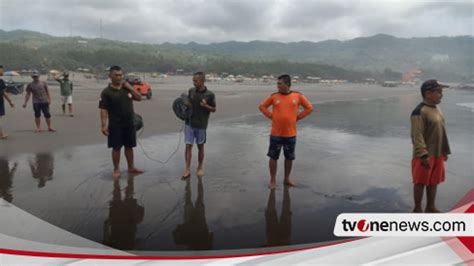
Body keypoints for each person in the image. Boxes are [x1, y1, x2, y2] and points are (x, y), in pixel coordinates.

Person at [259, 74, 313, 189]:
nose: (277, 86)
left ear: (287, 84)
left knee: (289, 157)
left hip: (290, 134)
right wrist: (271, 116)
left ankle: (287, 179)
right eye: (277, 83)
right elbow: (262, 106)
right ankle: (273, 180)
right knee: (273, 157)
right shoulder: (274, 96)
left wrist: (298, 117)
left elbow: (309, 108)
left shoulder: (297, 96)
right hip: (276, 134)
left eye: (279, 83)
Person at [410, 79, 451, 213]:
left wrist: (444, 150)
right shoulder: (419, 111)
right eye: (439, 91)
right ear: (428, 93)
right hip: (424, 155)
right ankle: (417, 209)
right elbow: (417, 135)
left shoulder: (437, 109)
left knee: (434, 181)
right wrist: (423, 154)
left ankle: (430, 206)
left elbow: (441, 131)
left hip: (437, 153)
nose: (441, 94)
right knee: (420, 182)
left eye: (441, 91)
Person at [99, 65, 143, 178]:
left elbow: (139, 98)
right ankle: (116, 169)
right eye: (116, 75)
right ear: (110, 76)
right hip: (115, 124)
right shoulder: (106, 92)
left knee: (129, 147)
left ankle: (131, 167)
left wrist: (130, 87)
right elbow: (103, 109)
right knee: (116, 147)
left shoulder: (126, 88)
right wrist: (103, 125)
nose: (119, 77)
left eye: (120, 75)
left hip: (129, 123)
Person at [182, 72, 216, 179]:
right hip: (189, 123)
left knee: (200, 147)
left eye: (196, 81)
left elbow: (214, 109)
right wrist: (186, 102)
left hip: (201, 125)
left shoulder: (210, 95)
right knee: (188, 146)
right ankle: (187, 169)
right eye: (193, 80)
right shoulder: (191, 91)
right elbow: (186, 100)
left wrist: (206, 106)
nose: (194, 83)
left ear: (202, 81)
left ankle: (200, 167)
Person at [0, 65, 15, 139]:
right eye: (1, 70)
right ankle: (1, 134)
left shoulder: (1, 81)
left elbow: (3, 93)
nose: (2, 71)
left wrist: (10, 102)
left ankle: (1, 134)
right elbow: (4, 93)